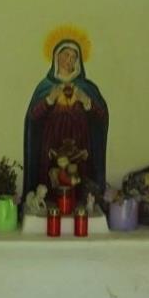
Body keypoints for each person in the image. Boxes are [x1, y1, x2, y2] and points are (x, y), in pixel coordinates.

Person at [23, 32, 108, 209]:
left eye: (73, 57)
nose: (69, 60)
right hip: (51, 142)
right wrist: (49, 100)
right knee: (53, 179)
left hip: (80, 141)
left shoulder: (87, 87)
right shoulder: (45, 87)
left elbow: (101, 117)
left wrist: (86, 101)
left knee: (77, 179)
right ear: (56, 57)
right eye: (66, 55)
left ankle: (79, 205)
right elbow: (33, 117)